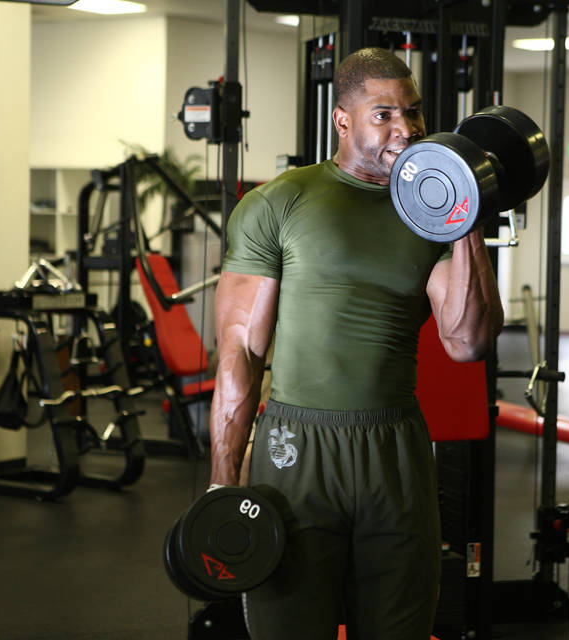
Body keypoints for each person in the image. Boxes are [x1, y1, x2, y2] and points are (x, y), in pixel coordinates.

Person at [208, 47, 504, 640]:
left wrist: (465, 218)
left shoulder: (430, 213)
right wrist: (223, 483)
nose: (407, 128)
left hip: (394, 447)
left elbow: (468, 341)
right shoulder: (279, 203)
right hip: (297, 447)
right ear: (343, 120)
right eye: (385, 114)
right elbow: (240, 353)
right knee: (289, 624)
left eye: (414, 113)